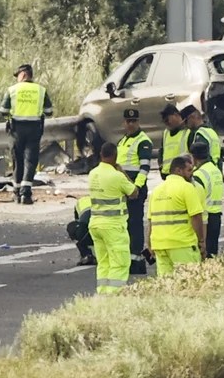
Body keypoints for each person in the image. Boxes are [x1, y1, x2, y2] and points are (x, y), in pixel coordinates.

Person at [87, 142, 138, 294]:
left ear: (101, 155)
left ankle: (102, 293)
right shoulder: (117, 176)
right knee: (120, 263)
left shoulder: (92, 173)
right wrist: (122, 172)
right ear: (115, 156)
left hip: (96, 224)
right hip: (113, 226)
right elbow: (134, 192)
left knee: (104, 263)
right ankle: (113, 296)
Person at [147, 154, 209, 275]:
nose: (192, 173)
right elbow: (196, 217)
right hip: (181, 244)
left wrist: (149, 243)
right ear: (178, 170)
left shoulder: (157, 190)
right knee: (188, 283)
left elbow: (151, 220)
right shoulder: (187, 188)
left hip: (159, 245)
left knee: (166, 285)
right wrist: (201, 241)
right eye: (189, 170)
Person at [0, 64, 51, 203]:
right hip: (34, 129)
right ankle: (26, 194)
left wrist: (11, 116)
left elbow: (3, 110)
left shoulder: (12, 90)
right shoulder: (40, 90)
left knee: (18, 160)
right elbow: (49, 111)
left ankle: (16, 192)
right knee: (31, 161)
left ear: (22, 75)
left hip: (16, 129)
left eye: (18, 76)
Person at [115, 109, 155, 275]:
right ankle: (129, 258)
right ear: (124, 122)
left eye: (134, 121)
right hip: (123, 188)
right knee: (125, 224)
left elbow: (145, 168)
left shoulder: (143, 141)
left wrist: (136, 188)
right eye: (128, 121)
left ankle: (136, 261)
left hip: (135, 188)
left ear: (138, 122)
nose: (130, 124)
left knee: (135, 224)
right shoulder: (123, 141)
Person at [190, 139, 224, 257]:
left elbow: (196, 198)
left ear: (194, 158)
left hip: (205, 219)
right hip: (216, 215)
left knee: (202, 253)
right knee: (212, 254)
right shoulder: (215, 170)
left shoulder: (198, 174)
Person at [182, 105, 223, 171]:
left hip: (205, 172)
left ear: (192, 117)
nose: (185, 125)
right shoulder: (211, 131)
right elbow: (219, 157)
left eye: (185, 121)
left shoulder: (200, 134)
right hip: (215, 171)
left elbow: (202, 159)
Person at [158, 105, 189, 177]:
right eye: (164, 121)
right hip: (167, 175)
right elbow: (162, 151)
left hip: (182, 174)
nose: (166, 123)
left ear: (176, 115)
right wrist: (161, 167)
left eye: (167, 120)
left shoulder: (187, 131)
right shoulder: (166, 133)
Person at [67, 195, 96, 266]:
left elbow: (78, 221)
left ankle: (86, 255)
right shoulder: (100, 199)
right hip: (107, 230)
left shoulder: (79, 202)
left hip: (87, 233)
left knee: (72, 227)